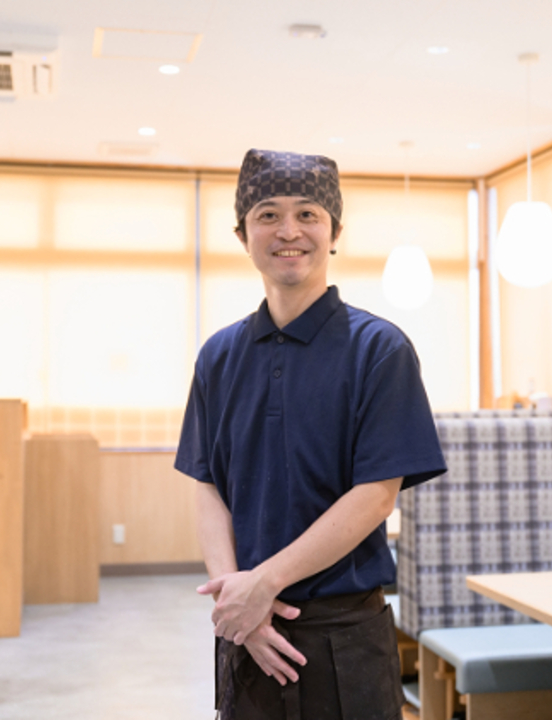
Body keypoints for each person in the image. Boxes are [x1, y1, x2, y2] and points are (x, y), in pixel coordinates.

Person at [174, 148, 447, 720]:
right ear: (243, 234)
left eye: (308, 214)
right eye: (268, 214)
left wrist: (262, 585)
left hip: (343, 635)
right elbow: (206, 484)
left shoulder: (379, 350)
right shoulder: (219, 356)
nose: (288, 230)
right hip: (247, 633)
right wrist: (237, 602)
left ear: (335, 231)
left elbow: (376, 495)